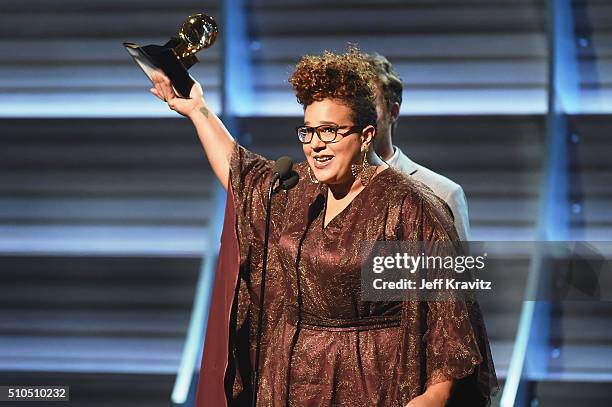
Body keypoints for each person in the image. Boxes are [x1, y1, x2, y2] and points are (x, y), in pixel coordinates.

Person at [150, 48, 497, 406]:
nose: (316, 144)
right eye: (309, 131)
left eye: (330, 131)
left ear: (365, 135)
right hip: (288, 383)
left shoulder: (408, 208)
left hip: (369, 384)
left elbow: (450, 325)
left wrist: (433, 397)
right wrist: (197, 109)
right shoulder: (298, 189)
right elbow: (242, 175)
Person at [366, 53, 471, 241]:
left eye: (369, 108)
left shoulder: (442, 194)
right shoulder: (324, 192)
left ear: (393, 112)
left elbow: (457, 270)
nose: (359, 119)